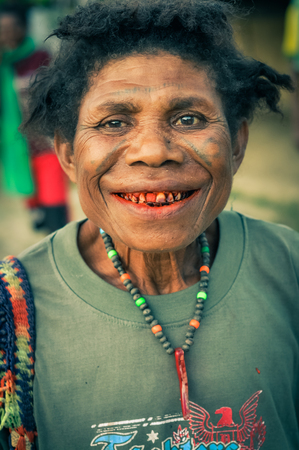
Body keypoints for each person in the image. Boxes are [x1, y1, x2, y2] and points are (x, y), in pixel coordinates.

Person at [0, 0, 298, 449]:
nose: (153, 151)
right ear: (67, 153)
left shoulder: (288, 265)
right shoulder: (13, 312)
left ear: (237, 143)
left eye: (189, 118)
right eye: (114, 122)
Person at [0, 4, 69, 233]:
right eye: (1, 29)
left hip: (43, 141)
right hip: (15, 146)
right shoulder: (3, 63)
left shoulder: (40, 57)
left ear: (23, 28)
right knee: (35, 209)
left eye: (10, 28)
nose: (5, 34)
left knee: (54, 203)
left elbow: (57, 95)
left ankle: (62, 241)